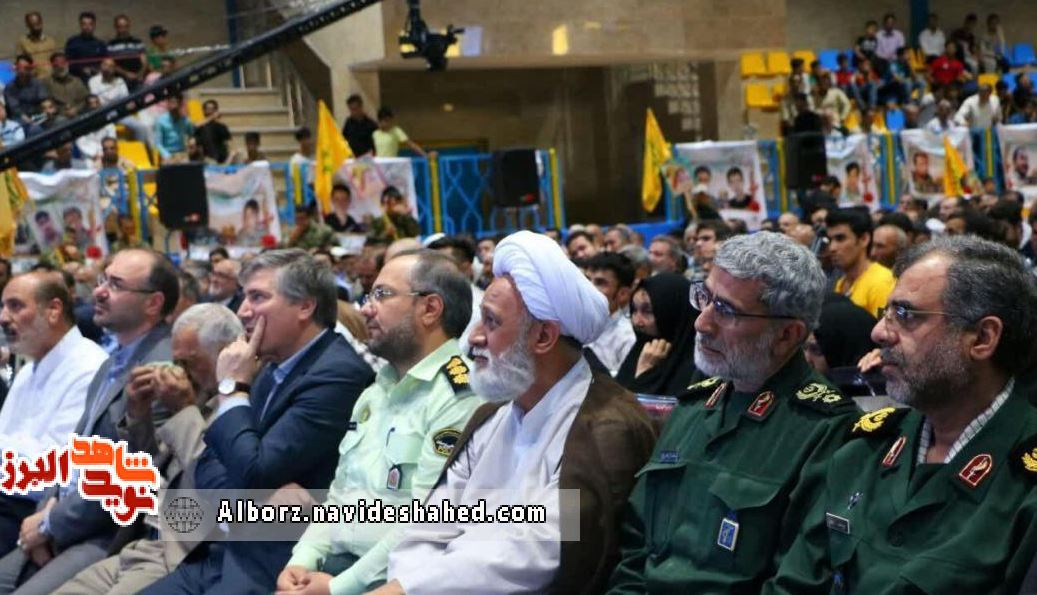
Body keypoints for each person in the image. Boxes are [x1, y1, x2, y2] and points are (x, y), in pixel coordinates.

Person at [378, 231, 656, 594]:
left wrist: (407, 589)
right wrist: (403, 585)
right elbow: (429, 528)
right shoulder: (491, 415)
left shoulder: (607, 427)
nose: (473, 338)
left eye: (491, 322)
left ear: (543, 337)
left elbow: (532, 554)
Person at [769, 235, 1037, 593]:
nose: (879, 332)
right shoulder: (862, 450)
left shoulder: (1025, 485)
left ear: (982, 338)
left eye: (905, 314)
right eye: (886, 313)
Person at [608, 232, 860, 593]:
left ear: (787, 335)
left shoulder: (826, 428)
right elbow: (635, 545)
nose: (702, 323)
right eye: (705, 298)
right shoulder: (695, 406)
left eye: (726, 310)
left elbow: (799, 581)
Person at [142, 250, 374, 594]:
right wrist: (248, 508)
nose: (243, 311)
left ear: (305, 306)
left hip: (274, 566)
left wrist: (232, 388)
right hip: (226, 550)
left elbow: (254, 471)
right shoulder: (273, 362)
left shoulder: (337, 374)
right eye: (245, 296)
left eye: (258, 297)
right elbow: (208, 463)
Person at [277, 250, 484, 594]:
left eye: (382, 295)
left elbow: (429, 520)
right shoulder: (376, 390)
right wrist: (302, 560)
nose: (365, 309)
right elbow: (340, 494)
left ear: (430, 309)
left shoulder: (460, 394)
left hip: (398, 580)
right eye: (368, 296)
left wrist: (340, 587)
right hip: (338, 568)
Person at [0, 250, 177, 595]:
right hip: (57, 515)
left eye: (116, 285)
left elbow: (129, 477)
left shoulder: (161, 369)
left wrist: (50, 525)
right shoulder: (111, 363)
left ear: (153, 303)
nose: (99, 291)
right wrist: (43, 516)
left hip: (108, 531)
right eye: (102, 280)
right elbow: (73, 453)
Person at [53, 304, 242, 595]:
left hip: (178, 554)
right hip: (137, 542)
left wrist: (183, 410)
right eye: (176, 361)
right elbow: (147, 472)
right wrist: (138, 414)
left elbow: (212, 480)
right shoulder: (198, 400)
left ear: (224, 355)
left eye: (190, 362)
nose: (180, 372)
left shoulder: (236, 409)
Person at [0, 272, 107, 556]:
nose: (3, 318)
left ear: (53, 310)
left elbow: (54, 471)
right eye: (2, 307)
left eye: (15, 306)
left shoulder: (89, 367)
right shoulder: (28, 369)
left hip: (31, 510)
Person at [615, 273, 698, 396]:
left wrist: (645, 374)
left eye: (647, 311)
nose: (637, 321)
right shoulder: (640, 350)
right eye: (634, 309)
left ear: (673, 312)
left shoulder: (696, 370)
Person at [827, 208, 895, 317]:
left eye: (840, 238)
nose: (832, 248)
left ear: (864, 239)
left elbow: (885, 326)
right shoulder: (841, 282)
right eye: (830, 240)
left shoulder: (882, 282)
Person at [584, 252, 637, 377]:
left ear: (622, 294)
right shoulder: (570, 324)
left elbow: (623, 385)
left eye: (600, 282)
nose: (588, 287)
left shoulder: (628, 337)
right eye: (586, 280)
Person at [64, 12, 107, 83]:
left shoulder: (100, 44)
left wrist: (96, 69)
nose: (87, 27)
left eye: (90, 24)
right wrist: (82, 69)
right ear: (80, 25)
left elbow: (105, 63)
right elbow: (68, 63)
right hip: (77, 80)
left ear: (94, 25)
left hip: (97, 80)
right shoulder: (72, 42)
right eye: (84, 24)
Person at [106, 15, 145, 91]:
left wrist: (140, 74)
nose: (123, 29)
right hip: (121, 80)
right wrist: (126, 74)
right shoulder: (111, 45)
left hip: (139, 77)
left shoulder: (137, 42)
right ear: (116, 27)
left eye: (125, 26)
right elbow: (111, 64)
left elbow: (144, 61)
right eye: (120, 27)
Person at [153, 95, 194, 161]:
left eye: (177, 102)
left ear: (180, 104)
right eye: (172, 102)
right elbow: (158, 143)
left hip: (182, 153)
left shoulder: (186, 120)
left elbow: (191, 134)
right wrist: (167, 156)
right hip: (167, 153)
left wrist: (192, 140)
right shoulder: (160, 121)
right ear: (168, 104)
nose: (174, 105)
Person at [194, 100, 231, 164]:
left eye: (213, 109)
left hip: (222, 156)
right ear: (204, 111)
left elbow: (228, 140)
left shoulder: (220, 125)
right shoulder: (201, 126)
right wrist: (212, 117)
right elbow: (195, 126)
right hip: (208, 157)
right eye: (208, 109)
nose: (211, 111)